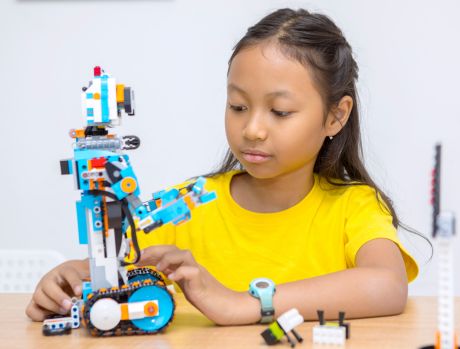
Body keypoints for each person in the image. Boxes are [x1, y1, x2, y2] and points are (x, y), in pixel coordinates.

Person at [26, 8, 419, 326]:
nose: (252, 129)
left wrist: (244, 305)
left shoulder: (354, 207)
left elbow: (386, 285)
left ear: (336, 116)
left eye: (280, 112)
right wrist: (73, 277)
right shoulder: (189, 204)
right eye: (238, 107)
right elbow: (122, 268)